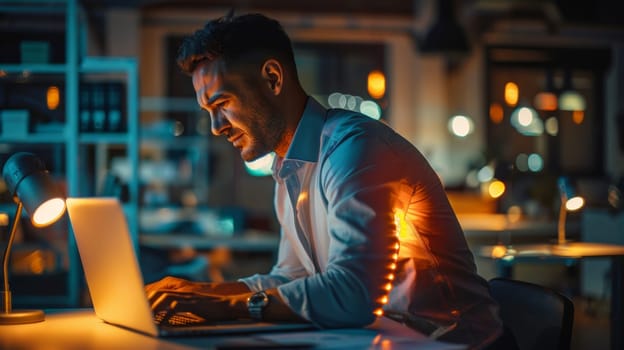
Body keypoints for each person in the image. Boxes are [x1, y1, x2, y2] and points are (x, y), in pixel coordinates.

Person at [145, 12, 504, 349]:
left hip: (456, 343)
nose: (216, 127)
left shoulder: (355, 148)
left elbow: (356, 294)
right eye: (209, 111)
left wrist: (223, 307)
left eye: (222, 102)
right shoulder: (290, 168)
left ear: (272, 78)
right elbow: (290, 278)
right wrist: (202, 294)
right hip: (387, 340)